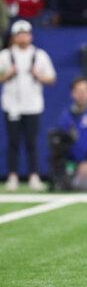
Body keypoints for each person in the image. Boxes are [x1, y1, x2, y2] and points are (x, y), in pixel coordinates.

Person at [0, 20, 56, 191]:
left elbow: (51, 78)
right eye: (19, 34)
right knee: (13, 142)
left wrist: (38, 76)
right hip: (12, 105)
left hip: (32, 105)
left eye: (26, 34)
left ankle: (34, 176)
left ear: (31, 36)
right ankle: (13, 176)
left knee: (31, 142)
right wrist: (7, 75)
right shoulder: (4, 55)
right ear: (14, 37)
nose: (23, 37)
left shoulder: (40, 55)